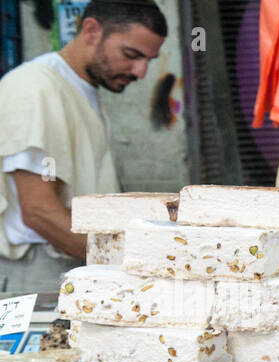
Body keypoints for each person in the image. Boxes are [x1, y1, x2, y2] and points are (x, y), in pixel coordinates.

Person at [0, 1, 167, 293]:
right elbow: (38, 211)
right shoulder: (35, 88)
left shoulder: (81, 87)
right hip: (39, 273)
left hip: (76, 263)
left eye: (149, 60)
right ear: (91, 30)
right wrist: (134, 265)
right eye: (131, 55)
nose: (141, 71)